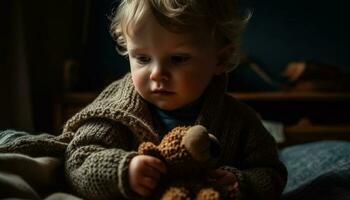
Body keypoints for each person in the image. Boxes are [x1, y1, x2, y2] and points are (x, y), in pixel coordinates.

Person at [63, 0, 287, 199]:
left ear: (220, 59)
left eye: (178, 59)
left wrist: (241, 182)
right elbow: (77, 160)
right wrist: (121, 170)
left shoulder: (239, 121)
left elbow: (271, 172)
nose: (157, 73)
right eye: (142, 58)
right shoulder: (115, 112)